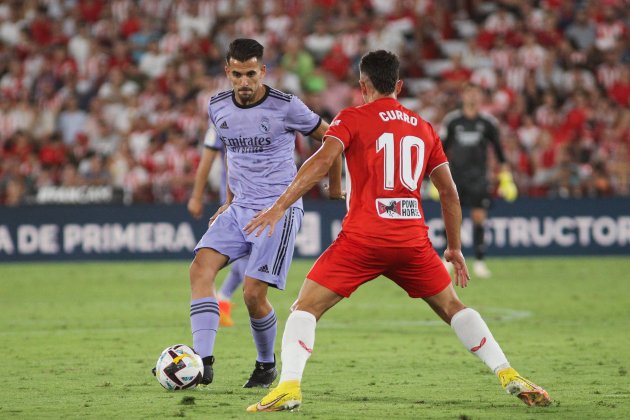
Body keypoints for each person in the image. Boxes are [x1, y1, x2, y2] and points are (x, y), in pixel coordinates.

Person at [244, 50, 550, 412]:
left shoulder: (352, 118)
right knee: (453, 306)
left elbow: (323, 160)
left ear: (362, 86)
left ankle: (289, 387)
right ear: (399, 85)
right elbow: (449, 193)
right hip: (411, 241)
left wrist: (280, 205)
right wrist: (454, 248)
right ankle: (507, 372)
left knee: (304, 308)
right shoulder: (424, 127)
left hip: (363, 238)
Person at [188, 38, 340, 389]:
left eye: (251, 74)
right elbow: (231, 156)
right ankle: (202, 363)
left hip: (278, 209)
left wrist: (335, 185)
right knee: (199, 269)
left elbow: (332, 138)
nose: (244, 82)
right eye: (238, 74)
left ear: (263, 72)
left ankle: (266, 364)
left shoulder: (286, 106)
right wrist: (228, 200)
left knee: (253, 294)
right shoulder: (217, 106)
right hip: (238, 208)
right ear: (227, 72)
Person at [441, 83, 517, 278]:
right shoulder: (453, 121)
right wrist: (435, 178)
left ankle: (480, 262)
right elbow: (440, 150)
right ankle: (448, 260)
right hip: (455, 177)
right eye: (469, 93)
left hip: (478, 178)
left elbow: (499, 153)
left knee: (478, 219)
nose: (472, 97)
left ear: (481, 98)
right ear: (464, 96)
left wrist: (506, 179)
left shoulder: (488, 122)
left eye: (476, 94)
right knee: (452, 219)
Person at [187, 126, 246, 327]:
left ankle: (223, 299)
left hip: (264, 198)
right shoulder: (221, 122)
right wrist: (196, 196)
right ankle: (224, 301)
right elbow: (207, 159)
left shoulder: (267, 114)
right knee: (247, 256)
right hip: (234, 201)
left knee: (250, 255)